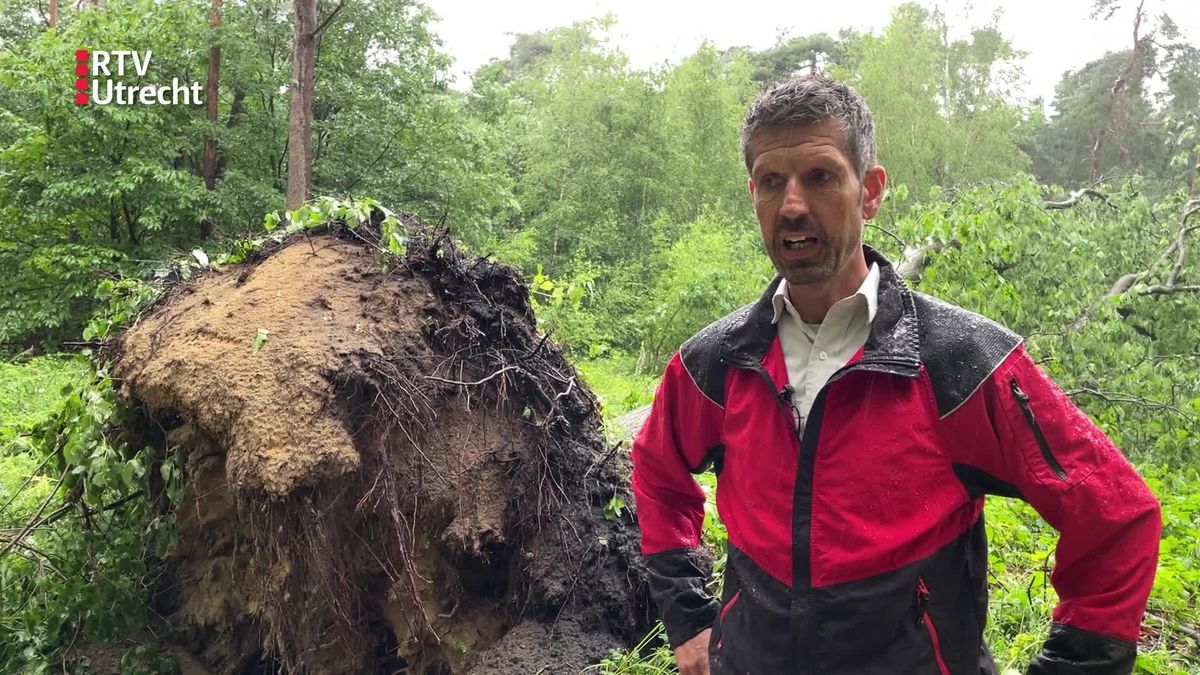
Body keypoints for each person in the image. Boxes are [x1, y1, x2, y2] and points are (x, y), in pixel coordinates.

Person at [629, 74, 1162, 675]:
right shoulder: (716, 361)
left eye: (820, 177)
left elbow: (1117, 516)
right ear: (753, 193)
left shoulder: (960, 363)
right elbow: (657, 471)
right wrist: (690, 621)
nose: (792, 205)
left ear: (871, 191)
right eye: (772, 182)